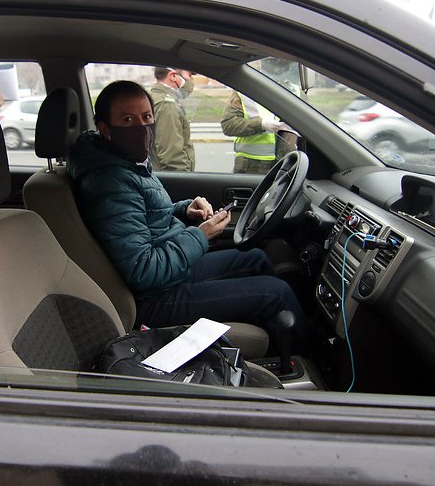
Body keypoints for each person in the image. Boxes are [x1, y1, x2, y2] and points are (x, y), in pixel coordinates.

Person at [67, 80, 307, 352]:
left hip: (168, 276)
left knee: (256, 258)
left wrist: (183, 209)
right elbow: (143, 270)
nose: (142, 127)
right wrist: (200, 235)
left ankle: (270, 348)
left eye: (146, 117)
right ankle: (306, 368)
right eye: (128, 119)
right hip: (154, 298)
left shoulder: (119, 163)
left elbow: (141, 220)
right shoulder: (109, 181)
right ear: (105, 129)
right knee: (278, 293)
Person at [221, 91, 296, 175]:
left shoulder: (294, 90)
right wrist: (261, 124)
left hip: (288, 163)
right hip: (252, 165)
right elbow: (228, 125)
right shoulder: (244, 92)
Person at [149, 67, 195, 172]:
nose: (189, 81)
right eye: (189, 76)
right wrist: (182, 178)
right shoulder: (167, 105)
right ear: (173, 76)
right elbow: (171, 153)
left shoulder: (157, 97)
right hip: (172, 177)